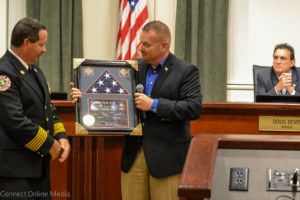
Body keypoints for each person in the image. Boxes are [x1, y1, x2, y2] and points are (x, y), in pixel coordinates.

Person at [71, 20, 202, 200]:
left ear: (164, 45)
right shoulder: (131, 68)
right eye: (140, 42)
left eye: (146, 44)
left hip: (167, 158)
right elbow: (110, 98)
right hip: (134, 155)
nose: (140, 48)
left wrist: (154, 104)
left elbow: (193, 108)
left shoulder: (185, 71)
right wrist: (83, 96)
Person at [0, 18, 70, 199]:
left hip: (38, 168)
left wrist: (61, 137)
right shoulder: (4, 72)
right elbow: (14, 120)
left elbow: (49, 111)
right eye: (41, 44)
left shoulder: (36, 72)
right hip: (15, 172)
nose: (44, 50)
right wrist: (49, 145)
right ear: (26, 43)